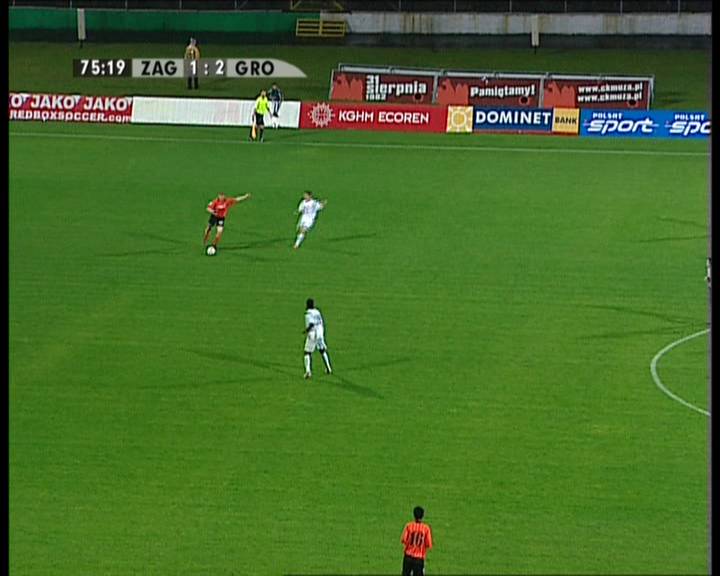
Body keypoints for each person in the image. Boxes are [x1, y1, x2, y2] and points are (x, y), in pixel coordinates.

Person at [303, 298, 332, 379]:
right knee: (322, 350)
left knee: (307, 352)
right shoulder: (317, 311)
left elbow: (311, 324)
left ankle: (308, 371)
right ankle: (328, 368)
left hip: (313, 334)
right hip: (320, 333)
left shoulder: (308, 313)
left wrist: (306, 331)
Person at [401, 506, 433, 576]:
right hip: (419, 559)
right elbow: (428, 544)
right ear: (423, 516)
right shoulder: (426, 528)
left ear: (414, 515)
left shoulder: (409, 526)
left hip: (408, 557)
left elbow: (404, 540)